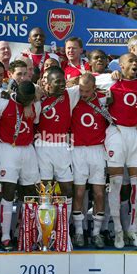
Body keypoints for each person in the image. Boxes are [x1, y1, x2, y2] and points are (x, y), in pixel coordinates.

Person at [95, 53, 137, 249]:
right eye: (129, 61)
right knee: (115, 184)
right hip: (116, 132)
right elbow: (83, 81)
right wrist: (111, 75)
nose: (134, 63)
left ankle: (133, 229)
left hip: (136, 135)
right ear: (120, 65)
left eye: (136, 61)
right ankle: (118, 232)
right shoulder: (108, 80)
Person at [0, 81, 41, 250]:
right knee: (8, 190)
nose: (26, 101)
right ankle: (5, 235)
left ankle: (26, 233)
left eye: (29, 99)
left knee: (30, 192)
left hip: (28, 150)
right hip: (8, 149)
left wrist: (30, 103)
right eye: (24, 98)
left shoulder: (36, 105)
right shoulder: (3, 103)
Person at [36, 66, 80, 222]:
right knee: (45, 190)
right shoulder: (37, 97)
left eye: (64, 81)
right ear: (47, 83)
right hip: (42, 146)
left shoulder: (71, 94)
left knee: (67, 188)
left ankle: (63, 229)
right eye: (58, 82)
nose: (62, 85)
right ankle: (45, 230)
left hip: (62, 146)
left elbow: (89, 81)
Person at [71, 73, 109, 248]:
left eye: (87, 90)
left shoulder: (103, 99)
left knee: (99, 193)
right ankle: (79, 232)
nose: (83, 94)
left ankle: (96, 233)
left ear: (94, 88)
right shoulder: (73, 97)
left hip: (97, 150)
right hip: (77, 150)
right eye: (81, 89)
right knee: (79, 192)